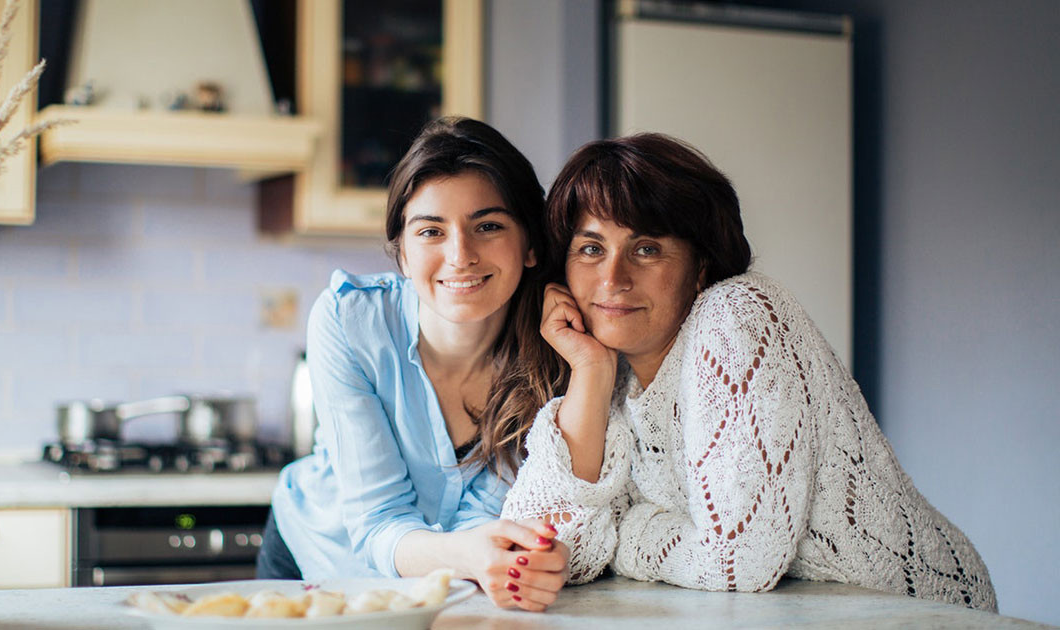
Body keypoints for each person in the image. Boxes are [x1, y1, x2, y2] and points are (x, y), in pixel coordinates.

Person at [502, 133, 997, 611]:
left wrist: (627, 532)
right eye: (591, 249)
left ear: (700, 268)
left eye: (647, 248)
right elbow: (537, 551)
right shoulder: (613, 375)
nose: (613, 278)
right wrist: (589, 372)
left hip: (923, 610)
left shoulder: (737, 315)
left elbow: (740, 562)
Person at [263, 117, 569, 612]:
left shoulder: (557, 352)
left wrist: (496, 555)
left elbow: (497, 524)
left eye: (487, 226)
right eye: (431, 231)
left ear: (530, 244)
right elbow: (378, 520)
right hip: (319, 560)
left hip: (453, 585)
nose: (460, 255)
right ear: (401, 253)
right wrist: (471, 553)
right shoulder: (349, 320)